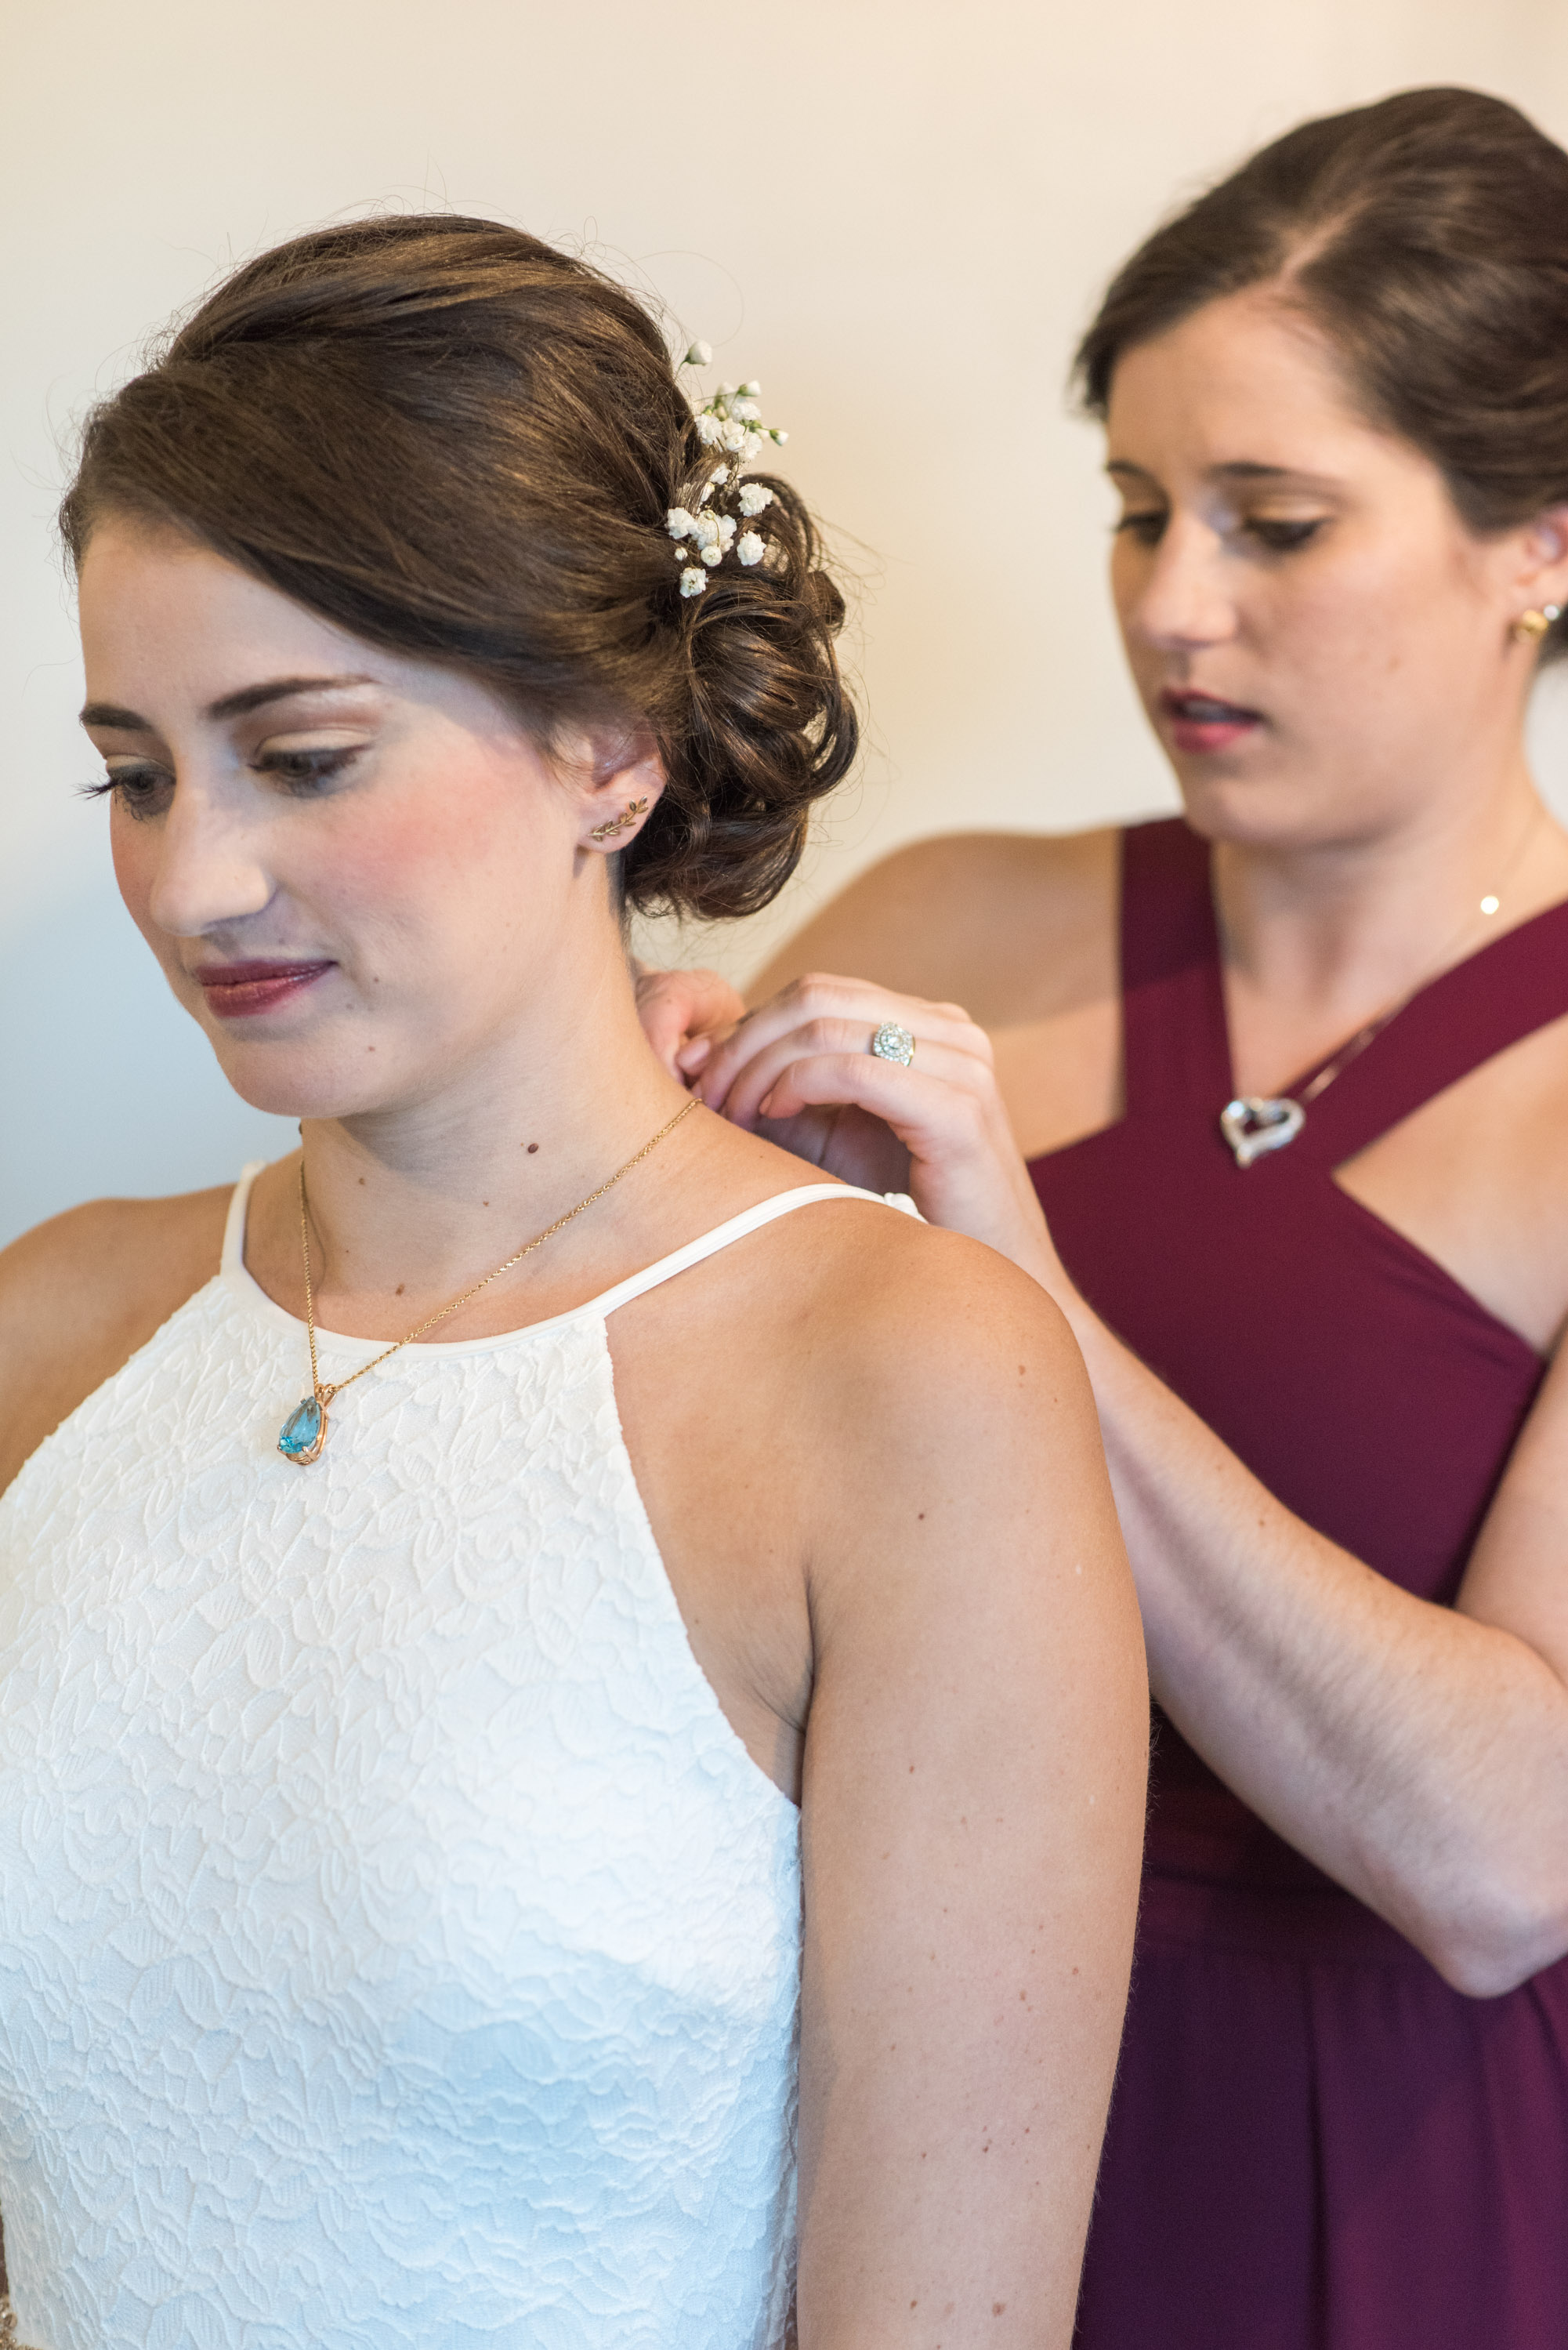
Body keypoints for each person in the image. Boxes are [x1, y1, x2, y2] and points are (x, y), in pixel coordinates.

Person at [0, 218, 1148, 2349]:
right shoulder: (56, 1329)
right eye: (137, 776)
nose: (193, 879)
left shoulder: (894, 1378)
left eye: (302, 755)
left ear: (612, 746)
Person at [639, 86, 1568, 2350]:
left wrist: (1015, 1290)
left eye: (1274, 523)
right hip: (873, 2093)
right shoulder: (954, 922)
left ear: (1538, 540)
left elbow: (1499, 1853)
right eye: (1139, 511)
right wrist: (606, 1102)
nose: (1171, 606)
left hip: (1367, 2176)